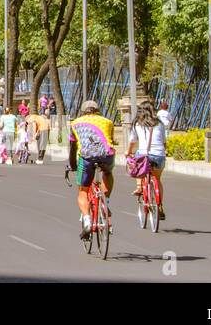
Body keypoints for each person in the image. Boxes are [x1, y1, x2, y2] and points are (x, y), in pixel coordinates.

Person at [68, 100, 116, 239]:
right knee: (107, 172)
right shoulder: (108, 122)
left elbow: (72, 147)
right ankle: (105, 204)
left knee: (83, 191)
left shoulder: (75, 123)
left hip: (87, 157)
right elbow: (110, 141)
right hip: (106, 155)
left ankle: (87, 221)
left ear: (83, 111)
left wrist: (72, 165)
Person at [127, 98, 167, 220]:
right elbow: (164, 142)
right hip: (159, 155)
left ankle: (139, 186)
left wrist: (128, 152)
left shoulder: (137, 124)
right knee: (158, 179)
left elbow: (132, 141)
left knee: (137, 161)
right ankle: (160, 206)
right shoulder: (160, 123)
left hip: (144, 155)